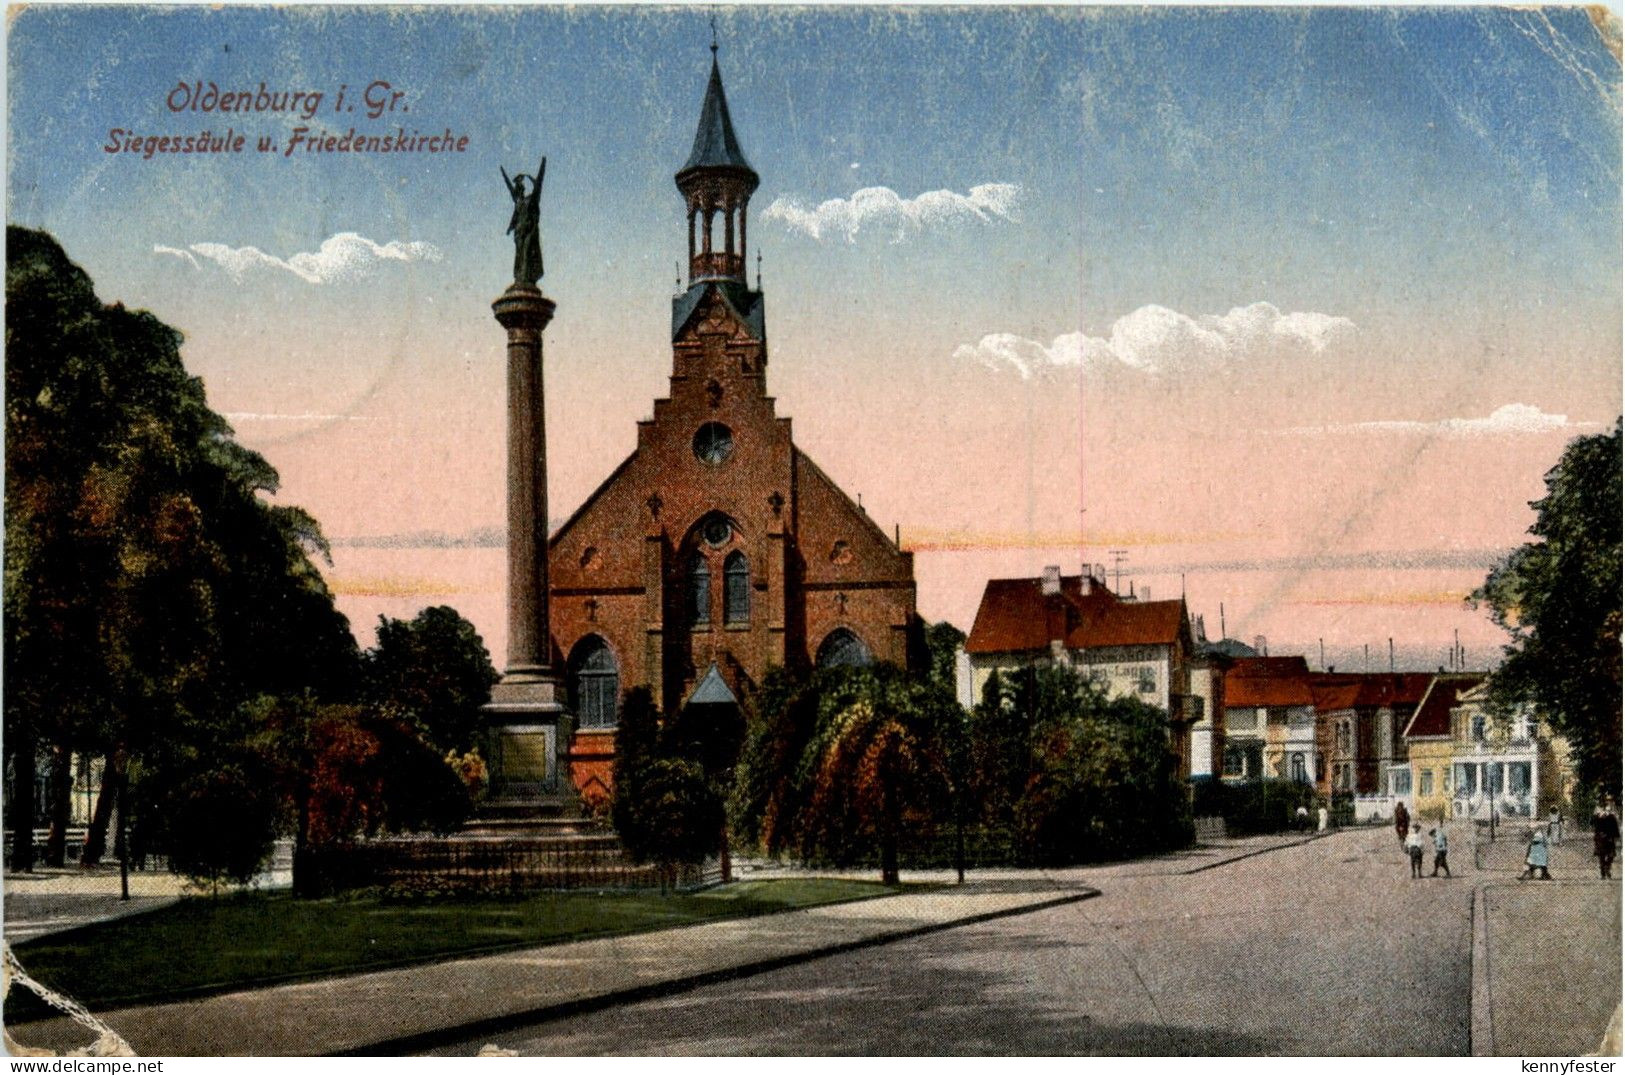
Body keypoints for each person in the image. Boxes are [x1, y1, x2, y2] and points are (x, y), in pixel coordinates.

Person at [501, 156, 546, 286]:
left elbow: (538, 185)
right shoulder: (519, 203)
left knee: (527, 253)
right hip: (519, 232)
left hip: (528, 230)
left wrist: (542, 166)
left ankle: (526, 280)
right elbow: (515, 216)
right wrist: (510, 228)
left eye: (520, 188)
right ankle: (520, 278)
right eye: (517, 189)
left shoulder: (531, 200)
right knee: (519, 256)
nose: (518, 190)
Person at [1594, 799, 1619, 880]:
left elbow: (1615, 828)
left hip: (1610, 838)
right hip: (1600, 838)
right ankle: (1603, 873)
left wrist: (1616, 837)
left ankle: (1607, 867)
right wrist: (1597, 815)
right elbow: (1594, 825)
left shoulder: (1612, 816)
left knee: (1611, 855)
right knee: (1601, 856)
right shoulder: (1598, 815)